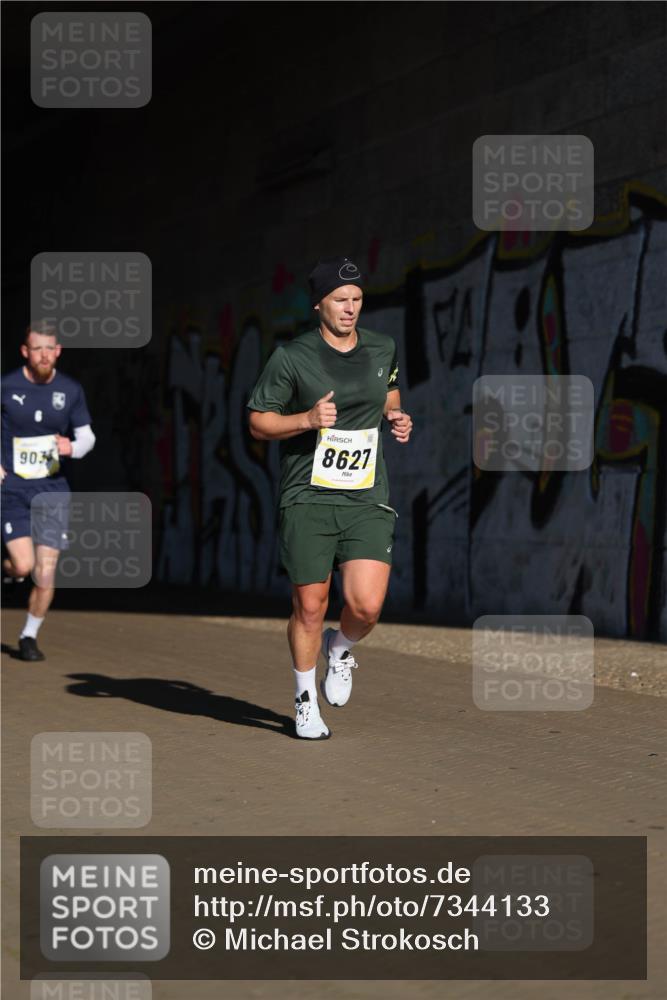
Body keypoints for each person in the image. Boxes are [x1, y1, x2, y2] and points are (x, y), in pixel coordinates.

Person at [248, 256, 413, 739]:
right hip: (308, 497)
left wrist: (397, 418)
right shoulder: (291, 357)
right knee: (311, 605)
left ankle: (338, 648)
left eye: (357, 299)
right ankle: (304, 703)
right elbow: (258, 421)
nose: (350, 308)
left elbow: (389, 395)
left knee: (365, 606)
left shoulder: (383, 347)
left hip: (365, 495)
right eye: (340, 300)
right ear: (318, 303)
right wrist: (305, 420)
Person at [1, 322, 95, 661]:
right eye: (36, 348)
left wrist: (72, 447)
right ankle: (8, 569)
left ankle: (29, 636)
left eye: (49, 348)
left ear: (58, 351)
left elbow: (87, 437)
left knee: (44, 572)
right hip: (12, 490)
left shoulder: (70, 390)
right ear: (25, 352)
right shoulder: (6, 386)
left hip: (53, 491)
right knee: (23, 566)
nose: (44, 354)